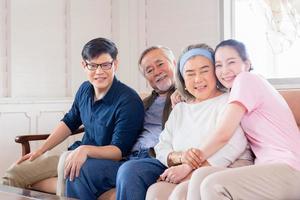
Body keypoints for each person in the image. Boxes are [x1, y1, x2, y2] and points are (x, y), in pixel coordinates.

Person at [2, 37, 144, 195]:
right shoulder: (84, 89)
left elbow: (118, 151)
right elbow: (70, 122)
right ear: (84, 65)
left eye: (105, 65)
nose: (99, 72)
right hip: (72, 155)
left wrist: (85, 150)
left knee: (65, 177)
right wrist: (41, 150)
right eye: (92, 65)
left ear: (115, 64)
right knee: (14, 174)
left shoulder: (128, 101)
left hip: (100, 165)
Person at [123, 43, 252, 200]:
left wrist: (189, 171)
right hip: (184, 170)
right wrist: (181, 157)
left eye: (204, 70)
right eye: (190, 73)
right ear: (183, 79)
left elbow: (233, 146)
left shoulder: (229, 101)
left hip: (223, 169)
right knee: (155, 193)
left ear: (215, 72)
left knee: (181, 194)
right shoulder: (180, 109)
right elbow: (162, 147)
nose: (198, 79)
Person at [186, 39, 300, 200]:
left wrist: (188, 164)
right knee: (200, 175)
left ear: (247, 63)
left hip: (290, 170)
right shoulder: (242, 90)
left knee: (213, 184)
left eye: (231, 62)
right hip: (269, 169)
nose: (224, 70)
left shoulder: (246, 79)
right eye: (218, 65)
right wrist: (181, 95)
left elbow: (223, 134)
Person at [64, 45, 176, 199]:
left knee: (129, 171)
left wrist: (182, 94)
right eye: (149, 70)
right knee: (79, 169)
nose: (156, 71)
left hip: (157, 159)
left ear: (174, 63)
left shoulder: (186, 98)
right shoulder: (143, 104)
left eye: (160, 64)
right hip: (130, 158)